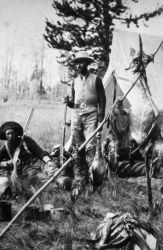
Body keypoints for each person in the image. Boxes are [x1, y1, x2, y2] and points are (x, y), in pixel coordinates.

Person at [63, 51, 106, 193]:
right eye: (77, 62)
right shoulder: (74, 81)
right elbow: (73, 102)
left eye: (82, 62)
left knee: (90, 146)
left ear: (87, 64)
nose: (79, 65)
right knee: (77, 145)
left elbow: (102, 99)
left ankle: (94, 178)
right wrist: (68, 102)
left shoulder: (96, 79)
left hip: (91, 114)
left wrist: (100, 118)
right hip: (76, 115)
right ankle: (80, 177)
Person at [0, 121, 56, 198]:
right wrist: (7, 163)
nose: (11, 135)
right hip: (26, 170)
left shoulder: (26, 140)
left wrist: (49, 161)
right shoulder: (6, 148)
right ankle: (52, 190)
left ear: (16, 133)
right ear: (5, 136)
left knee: (53, 171)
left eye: (12, 133)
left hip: (38, 163)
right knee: (41, 179)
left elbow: (39, 152)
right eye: (8, 134)